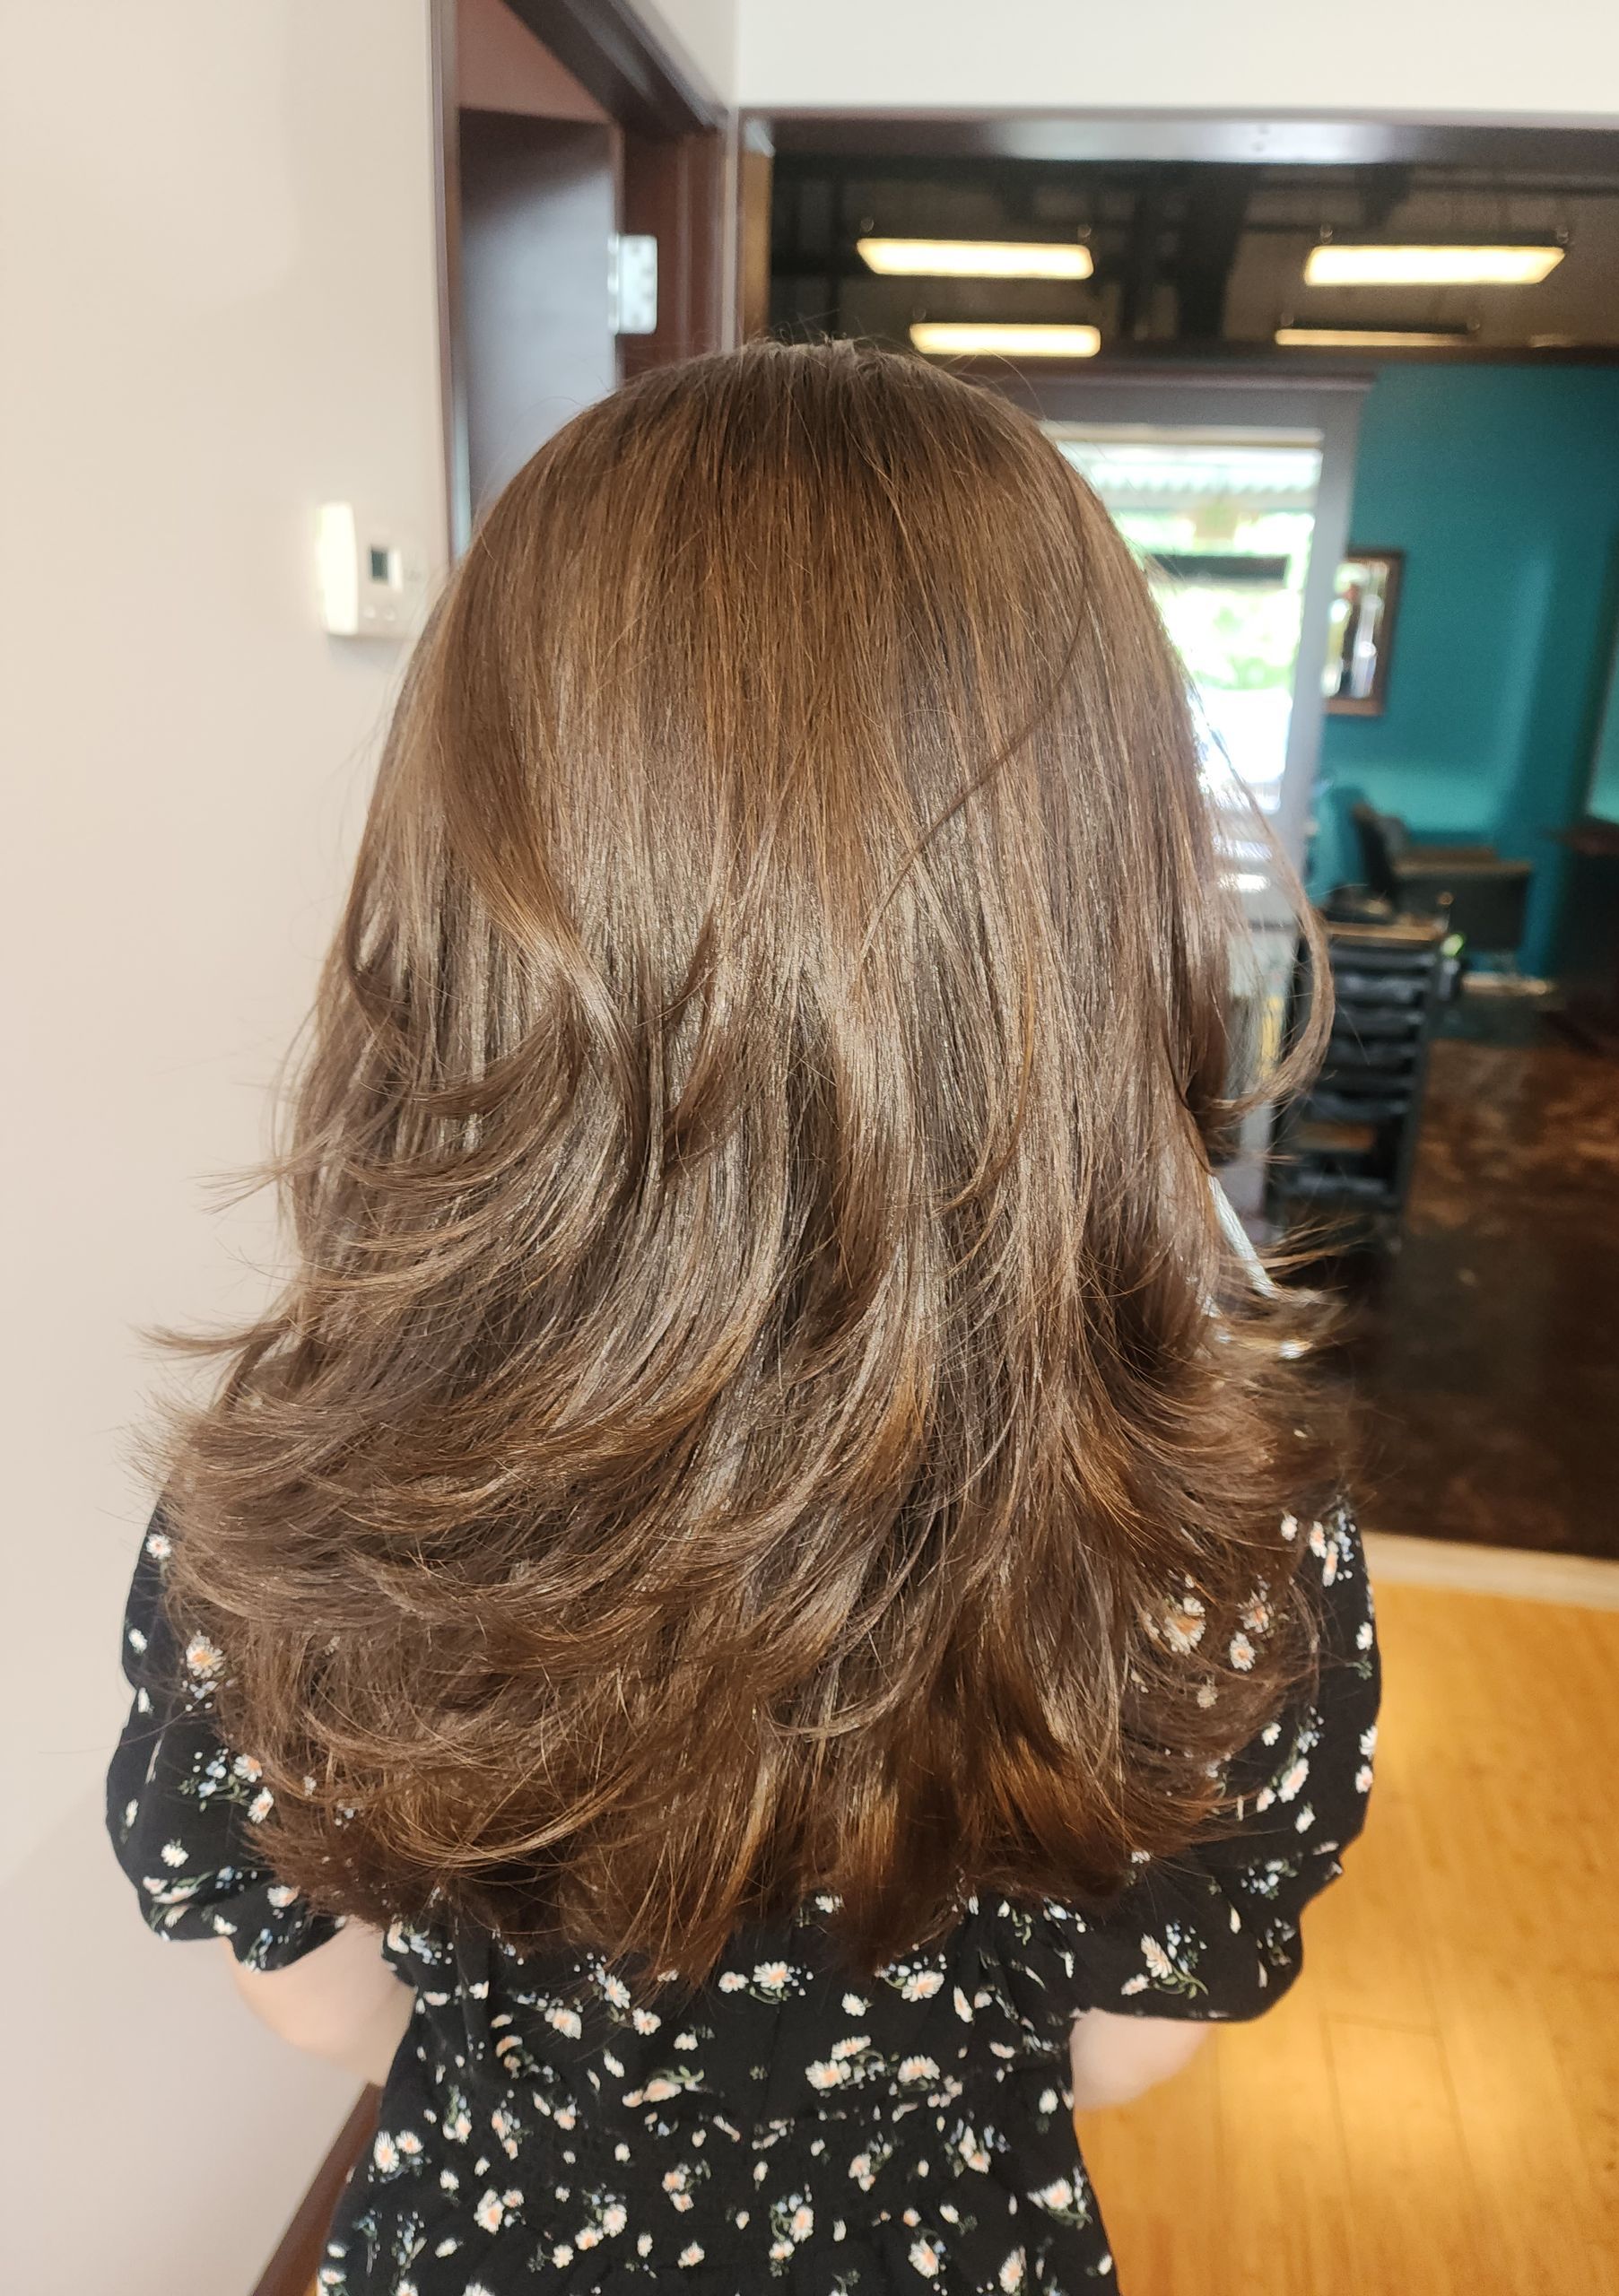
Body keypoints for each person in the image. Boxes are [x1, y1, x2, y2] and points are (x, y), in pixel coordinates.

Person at [108, 341, 1377, 2295]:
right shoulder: (1219, 1527)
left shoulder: (302, 1493)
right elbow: (1130, 2044)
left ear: (473, 865)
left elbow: (318, 2004)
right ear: (1094, 891)